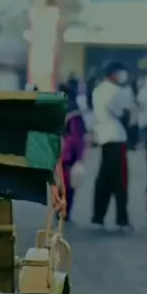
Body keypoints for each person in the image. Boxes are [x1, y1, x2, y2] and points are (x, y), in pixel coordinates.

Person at [91, 62, 132, 230]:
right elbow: (122, 111)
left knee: (104, 180)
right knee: (121, 180)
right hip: (116, 136)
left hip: (103, 136)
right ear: (114, 74)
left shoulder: (98, 90)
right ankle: (122, 219)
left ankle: (98, 217)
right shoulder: (115, 91)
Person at [59, 83, 86, 222]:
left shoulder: (58, 108)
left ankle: (60, 210)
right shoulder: (74, 112)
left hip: (59, 152)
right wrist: (80, 156)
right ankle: (65, 211)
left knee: (60, 183)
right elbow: (77, 137)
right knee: (68, 185)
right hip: (69, 153)